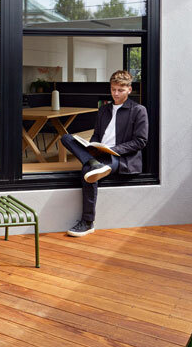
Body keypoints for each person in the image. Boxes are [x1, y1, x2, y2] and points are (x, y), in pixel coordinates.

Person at [60, 69, 148, 237]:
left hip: (119, 157)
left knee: (88, 171)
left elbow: (140, 141)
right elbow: (97, 135)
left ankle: (87, 222)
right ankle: (93, 161)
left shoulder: (138, 110)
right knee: (66, 138)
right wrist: (92, 146)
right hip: (98, 153)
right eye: (113, 89)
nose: (116, 93)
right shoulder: (104, 109)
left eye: (120, 90)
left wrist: (113, 150)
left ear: (129, 89)